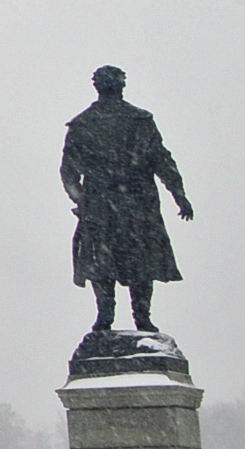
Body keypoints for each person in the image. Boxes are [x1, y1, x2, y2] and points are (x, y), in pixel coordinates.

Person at [61, 65, 194, 334]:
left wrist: (82, 201)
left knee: (104, 261)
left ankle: (107, 315)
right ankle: (139, 316)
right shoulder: (137, 120)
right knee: (137, 259)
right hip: (134, 201)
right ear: (122, 85)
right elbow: (162, 161)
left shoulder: (85, 124)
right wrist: (179, 195)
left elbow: (68, 172)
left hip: (105, 203)